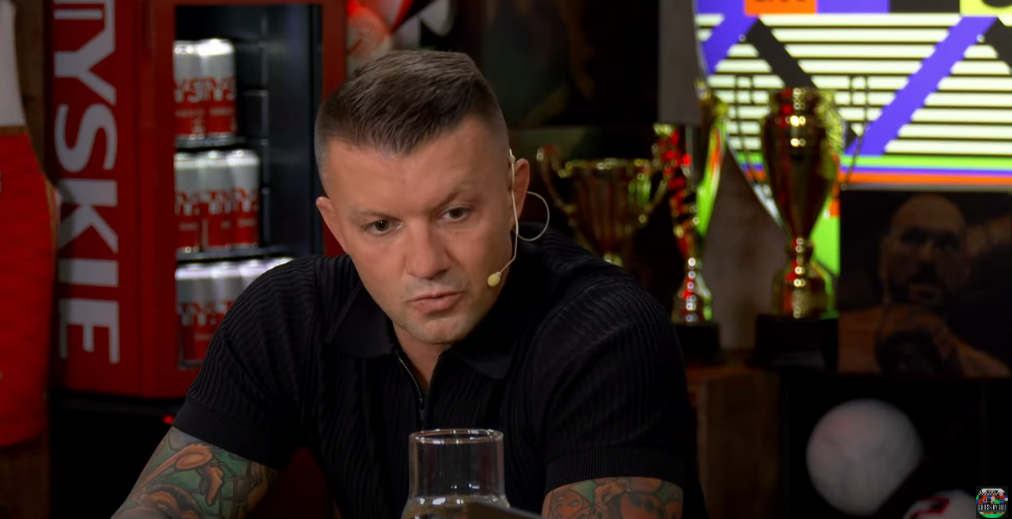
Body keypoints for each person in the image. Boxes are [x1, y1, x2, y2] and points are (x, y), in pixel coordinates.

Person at [111, 50, 706, 519]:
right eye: (381, 226)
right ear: (336, 228)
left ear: (514, 194)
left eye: (455, 213)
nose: (425, 263)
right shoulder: (289, 317)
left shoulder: (607, 334)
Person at [839, 193, 1010, 377]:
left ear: (965, 268)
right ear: (884, 253)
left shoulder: (987, 373)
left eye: (947, 245)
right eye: (912, 239)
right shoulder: (835, 343)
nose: (927, 258)